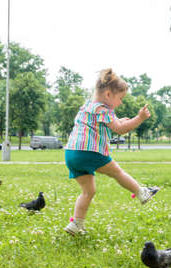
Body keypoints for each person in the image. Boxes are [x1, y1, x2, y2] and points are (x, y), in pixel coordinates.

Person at [63, 68, 160, 236]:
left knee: (88, 191)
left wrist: (118, 121)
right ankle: (141, 192)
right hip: (90, 151)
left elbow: (109, 124)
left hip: (72, 154)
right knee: (117, 172)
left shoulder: (87, 106)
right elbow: (120, 130)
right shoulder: (104, 110)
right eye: (120, 98)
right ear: (108, 94)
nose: (121, 103)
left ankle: (76, 224)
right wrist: (140, 119)